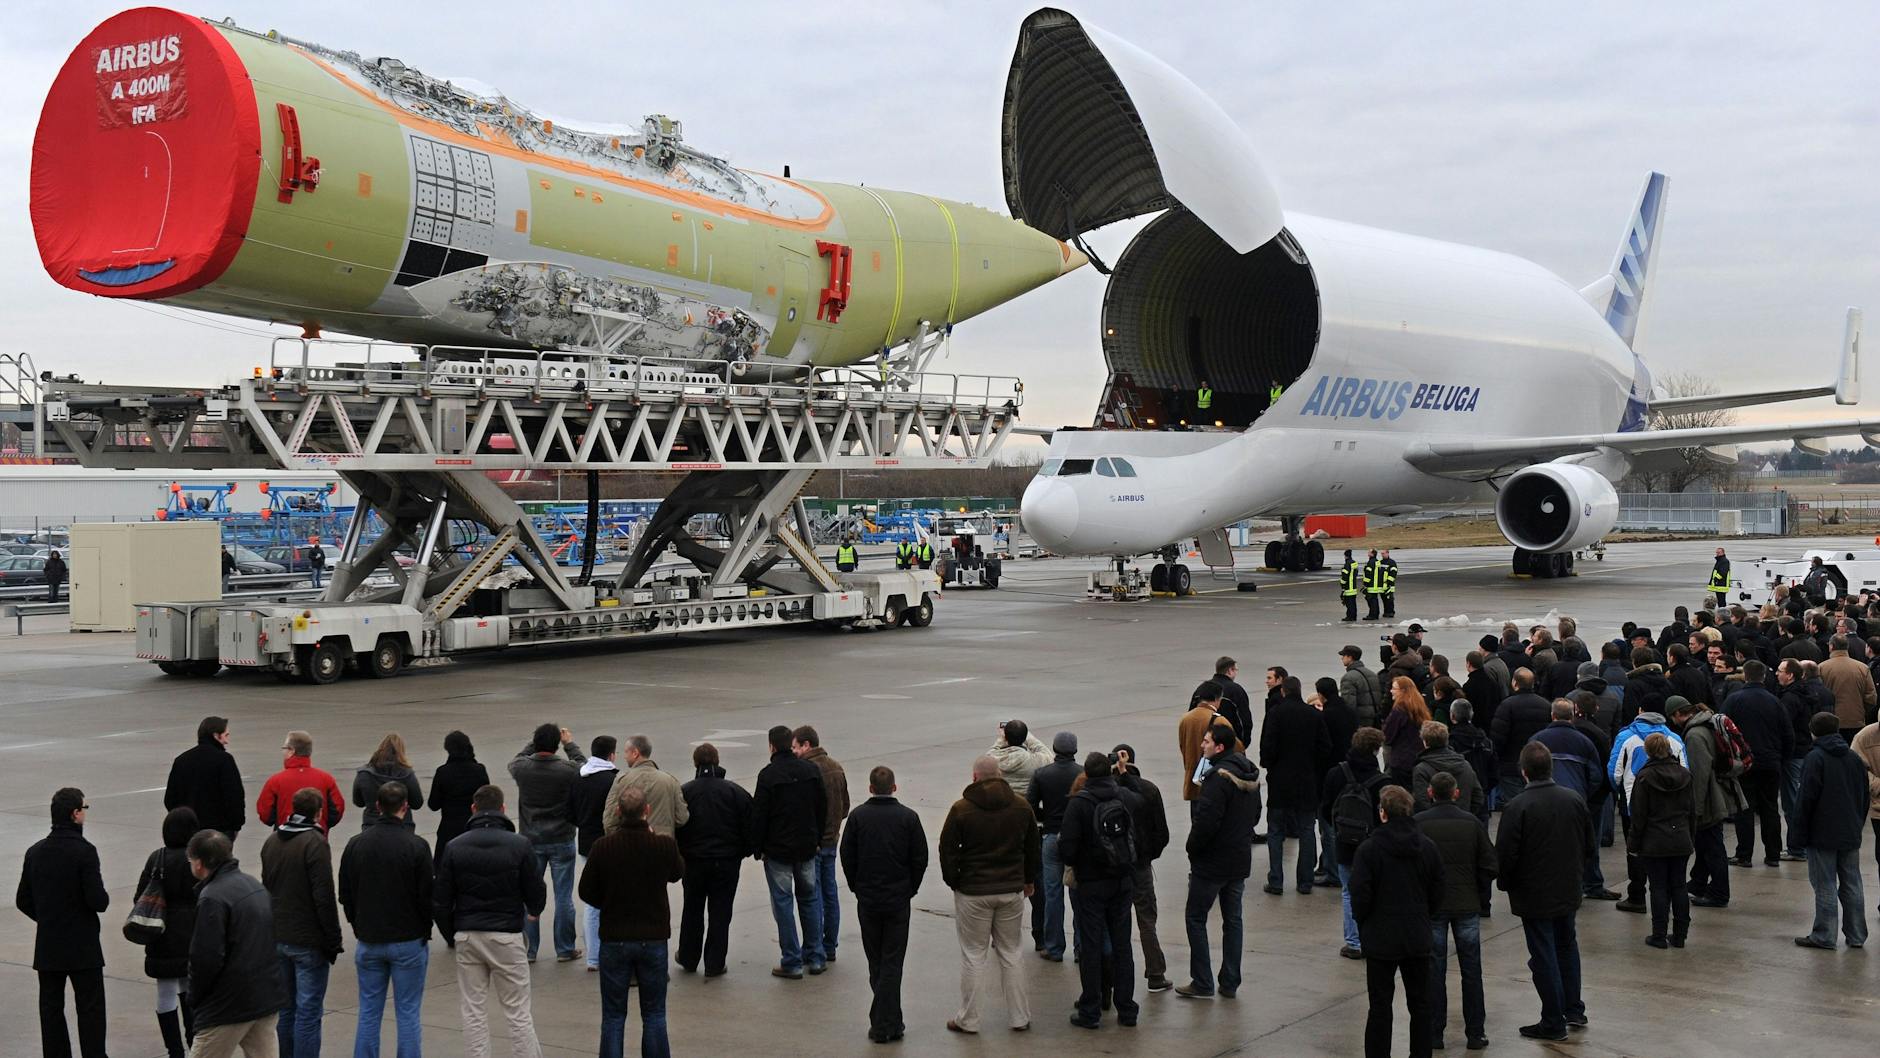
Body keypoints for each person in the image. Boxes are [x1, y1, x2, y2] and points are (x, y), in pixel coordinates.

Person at [434, 784, 547, 1058]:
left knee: (473, 1010)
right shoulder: (520, 845)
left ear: (473, 809)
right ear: (503, 809)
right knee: (517, 1010)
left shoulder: (454, 846)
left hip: (468, 934)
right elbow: (536, 889)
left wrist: (453, 932)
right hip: (506, 934)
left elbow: (441, 899)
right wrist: (533, 910)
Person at [1496, 743, 1593, 1042]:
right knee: (1566, 946)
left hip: (1534, 893)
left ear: (1524, 772)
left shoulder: (1517, 806)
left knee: (1544, 955)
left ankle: (1553, 1020)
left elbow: (1506, 855)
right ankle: (1573, 1008)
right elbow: (1589, 845)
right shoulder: (1574, 799)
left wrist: (1506, 883)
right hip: (1567, 887)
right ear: (1550, 768)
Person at [580, 785, 684, 1058]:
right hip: (653, 937)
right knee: (654, 1014)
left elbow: (586, 891)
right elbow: (677, 872)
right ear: (646, 812)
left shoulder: (603, 847)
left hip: (615, 937)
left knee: (613, 1017)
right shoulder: (663, 845)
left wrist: (609, 902)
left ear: (618, 811)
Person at [938, 755, 1040, 1034]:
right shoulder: (1021, 806)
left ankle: (968, 1019)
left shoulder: (961, 809)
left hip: (973, 891)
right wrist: (1028, 880)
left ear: (974, 777)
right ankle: (1020, 1016)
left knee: (974, 954)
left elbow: (947, 850)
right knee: (1011, 952)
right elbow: (1033, 847)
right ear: (1000, 775)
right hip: (1010, 890)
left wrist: (955, 881)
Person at [338, 781, 434, 1058]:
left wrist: (357, 924)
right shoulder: (417, 846)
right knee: (408, 1011)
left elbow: (345, 892)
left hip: (370, 938)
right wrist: (424, 929)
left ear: (377, 807)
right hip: (408, 938)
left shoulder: (356, 845)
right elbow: (427, 895)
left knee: (368, 1010)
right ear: (405, 807)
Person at [1349, 785, 1444, 1058]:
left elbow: (1360, 894)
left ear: (1383, 814)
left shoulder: (1369, 850)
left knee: (1379, 1005)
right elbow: (1438, 891)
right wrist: (1425, 915)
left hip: (1380, 937)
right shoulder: (1428, 848)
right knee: (1420, 1003)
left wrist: (1365, 924)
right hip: (1417, 935)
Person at [16, 787, 109, 1058]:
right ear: (75, 814)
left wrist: (46, 917)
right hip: (83, 945)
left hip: (49, 944)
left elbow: (23, 899)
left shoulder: (35, 852)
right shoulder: (85, 852)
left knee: (51, 1008)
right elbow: (98, 901)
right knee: (90, 1009)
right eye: (84, 809)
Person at [840, 765, 928, 1043]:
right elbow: (920, 858)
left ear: (869, 788)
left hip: (868, 899)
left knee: (876, 961)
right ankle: (890, 1022)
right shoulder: (909, 818)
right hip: (897, 900)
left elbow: (847, 857)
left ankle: (883, 1024)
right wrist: (910, 889)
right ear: (894, 788)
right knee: (893, 961)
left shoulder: (857, 818)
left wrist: (857, 886)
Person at [1060, 752, 1146, 1030]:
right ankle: (1127, 1009)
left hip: (1092, 884)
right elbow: (1139, 830)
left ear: (1086, 773)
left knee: (1092, 946)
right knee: (1123, 945)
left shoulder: (1079, 804)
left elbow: (1068, 850)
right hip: (1122, 881)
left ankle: (1091, 1010)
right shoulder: (1124, 797)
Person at [1178, 722, 1262, 998]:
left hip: (1213, 862)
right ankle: (1230, 981)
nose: (1202, 745)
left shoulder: (1217, 780)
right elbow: (1256, 814)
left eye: (1206, 741)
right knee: (1233, 919)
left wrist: (1192, 848)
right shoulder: (1248, 773)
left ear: (1220, 747)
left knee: (1195, 918)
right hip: (1238, 858)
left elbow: (1206, 822)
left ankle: (1202, 981)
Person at [260, 787, 344, 1058]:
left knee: (286, 1011)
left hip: (278, 934)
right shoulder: (314, 843)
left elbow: (267, 886)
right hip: (307, 939)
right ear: (319, 813)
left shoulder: (272, 841)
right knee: (308, 1013)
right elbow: (323, 896)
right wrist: (333, 938)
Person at [187, 829, 285, 1058]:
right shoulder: (254, 886)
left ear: (199, 863)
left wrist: (195, 997)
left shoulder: (212, 897)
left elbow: (205, 958)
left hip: (229, 1006)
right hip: (264, 997)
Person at [1415, 772, 1494, 1052]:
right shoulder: (1471, 823)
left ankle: (1435, 1032)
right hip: (1466, 904)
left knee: (1434, 970)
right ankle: (1475, 1032)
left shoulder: (1419, 824)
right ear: (1457, 793)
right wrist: (1479, 892)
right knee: (1471, 971)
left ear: (1430, 793)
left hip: (1433, 906)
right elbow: (1489, 864)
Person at [750, 724, 828, 979]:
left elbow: (759, 815)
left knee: (783, 903)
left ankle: (792, 960)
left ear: (772, 746)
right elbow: (822, 806)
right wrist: (817, 838)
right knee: (809, 898)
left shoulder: (768, 775)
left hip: (778, 851)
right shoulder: (811, 770)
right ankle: (816, 956)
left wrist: (757, 847)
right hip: (806, 847)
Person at [508, 723, 586, 963]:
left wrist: (535, 741)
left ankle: (529, 950)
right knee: (563, 896)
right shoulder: (567, 770)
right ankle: (564, 948)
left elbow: (516, 759)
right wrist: (569, 744)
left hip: (531, 839)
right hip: (561, 837)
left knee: (529, 895)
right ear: (556, 746)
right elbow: (585, 766)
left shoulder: (523, 768)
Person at [1794, 712, 1871, 949]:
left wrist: (1798, 833)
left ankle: (1825, 935)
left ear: (1813, 731)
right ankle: (1857, 934)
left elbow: (1805, 798)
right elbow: (1864, 795)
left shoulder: (1815, 758)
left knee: (1824, 883)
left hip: (1822, 832)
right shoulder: (1854, 758)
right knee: (1852, 883)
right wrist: (1857, 823)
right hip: (1849, 830)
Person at [675, 743, 751, 977]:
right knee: (721, 912)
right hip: (726, 862)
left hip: (694, 862)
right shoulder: (735, 792)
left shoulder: (685, 791)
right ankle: (714, 963)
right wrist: (741, 852)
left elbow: (677, 825)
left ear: (695, 763)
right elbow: (750, 826)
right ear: (717, 762)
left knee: (692, 909)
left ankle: (688, 957)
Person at [137, 807, 202, 1057]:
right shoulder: (196, 859)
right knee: (189, 989)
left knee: (165, 994)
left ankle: (175, 1050)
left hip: (162, 935)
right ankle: (194, 1040)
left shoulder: (157, 858)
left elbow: (140, 896)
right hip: (191, 935)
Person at [1261, 675, 1333, 895]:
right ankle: (1305, 881)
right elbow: (1325, 748)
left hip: (1280, 781)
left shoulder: (1275, 714)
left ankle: (1276, 880)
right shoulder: (1313, 715)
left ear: (1283, 691)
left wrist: (1271, 766)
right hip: (1306, 780)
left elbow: (1267, 747)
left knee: (1275, 831)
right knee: (1306, 831)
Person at [1323, 727, 1391, 959]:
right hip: (1374, 845)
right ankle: (1373, 938)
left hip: (1345, 844)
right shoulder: (1383, 781)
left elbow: (1326, 808)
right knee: (1376, 891)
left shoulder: (1336, 773)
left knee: (1348, 892)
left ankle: (1354, 942)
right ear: (1376, 749)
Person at [1720, 659, 1793, 866]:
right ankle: (1773, 854)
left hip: (1744, 763)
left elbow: (1722, 728)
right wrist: (1782, 758)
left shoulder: (1734, 700)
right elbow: (1788, 734)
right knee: (1770, 808)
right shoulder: (1775, 701)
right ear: (1763, 676)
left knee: (1744, 810)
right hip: (1771, 762)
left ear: (1745, 676)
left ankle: (1744, 855)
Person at [1111, 744, 1172, 992]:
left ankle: (1114, 976)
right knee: (1147, 919)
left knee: (1115, 921)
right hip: (1141, 867)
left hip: (1115, 868)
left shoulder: (1109, 792)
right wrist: (1147, 855)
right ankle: (1155, 973)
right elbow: (1162, 834)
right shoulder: (1149, 790)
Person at [1626, 733, 1694, 949]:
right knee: (1679, 886)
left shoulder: (1645, 777)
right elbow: (1692, 811)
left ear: (1647, 751)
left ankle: (1659, 934)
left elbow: (1638, 816)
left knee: (1658, 888)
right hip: (1680, 837)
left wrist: (1633, 844)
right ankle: (1680, 934)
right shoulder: (1685, 775)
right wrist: (1690, 837)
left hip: (1654, 840)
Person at [793, 725, 851, 965]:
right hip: (832, 841)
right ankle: (830, 946)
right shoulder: (837, 767)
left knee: (812, 894)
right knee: (830, 893)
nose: (794, 751)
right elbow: (845, 806)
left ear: (807, 745)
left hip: (814, 843)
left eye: (796, 746)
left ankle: (813, 946)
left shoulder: (808, 770)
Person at [1028, 731, 1080, 961]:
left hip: (1050, 835)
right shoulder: (1082, 773)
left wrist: (1046, 815)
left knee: (1052, 894)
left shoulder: (1042, 774)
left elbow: (1030, 805)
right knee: (1078, 893)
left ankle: (1054, 946)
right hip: (1076, 838)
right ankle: (1081, 947)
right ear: (1075, 751)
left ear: (1055, 749)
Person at [571, 735, 620, 971]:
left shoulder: (580, 777)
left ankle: (593, 957)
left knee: (592, 902)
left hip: (586, 844)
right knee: (613, 898)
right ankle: (610, 951)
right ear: (611, 755)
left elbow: (569, 812)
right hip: (609, 844)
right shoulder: (613, 780)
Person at [166, 715, 247, 843]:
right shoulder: (224, 760)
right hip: (219, 832)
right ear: (216, 736)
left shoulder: (181, 761)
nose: (227, 741)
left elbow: (170, 799)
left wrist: (183, 823)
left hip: (189, 833)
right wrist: (236, 826)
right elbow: (234, 797)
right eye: (226, 735)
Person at [257, 730, 345, 834]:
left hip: (285, 838)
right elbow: (337, 810)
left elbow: (265, 814)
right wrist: (324, 824)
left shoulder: (275, 781)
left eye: (284, 748)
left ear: (291, 751)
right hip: (317, 837)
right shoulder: (326, 779)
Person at [603, 735, 687, 838]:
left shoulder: (622, 781)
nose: (624, 756)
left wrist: (619, 842)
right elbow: (681, 818)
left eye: (626, 752)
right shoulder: (670, 781)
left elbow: (609, 820)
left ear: (635, 753)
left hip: (631, 845)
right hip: (662, 846)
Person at [1490, 670, 1552, 805]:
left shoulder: (1507, 705)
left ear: (1514, 683)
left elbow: (1498, 738)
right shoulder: (1546, 705)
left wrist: (1498, 759)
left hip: (1511, 764)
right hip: (1538, 764)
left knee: (1514, 805)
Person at [430, 731, 490, 867]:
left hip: (449, 829)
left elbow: (433, 804)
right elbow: (487, 798)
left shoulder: (443, 772)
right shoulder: (479, 770)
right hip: (474, 827)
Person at [1532, 700, 1603, 801]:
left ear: (1552, 715)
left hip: (1542, 798)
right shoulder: (1585, 742)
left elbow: (1526, 768)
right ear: (1572, 716)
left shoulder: (1537, 740)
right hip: (1576, 797)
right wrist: (1583, 794)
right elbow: (1595, 776)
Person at [1411, 721, 1484, 816]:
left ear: (1425, 742)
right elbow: (1478, 797)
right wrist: (1465, 814)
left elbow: (1422, 802)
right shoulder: (1465, 765)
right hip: (1462, 821)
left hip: (1433, 824)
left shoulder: (1421, 769)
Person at [353, 732, 425, 829]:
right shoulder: (407, 774)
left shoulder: (364, 774)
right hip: (402, 825)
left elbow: (359, 802)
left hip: (372, 824)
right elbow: (417, 803)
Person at [1820, 634, 1877, 741]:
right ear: (1847, 647)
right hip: (1856, 720)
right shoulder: (1862, 668)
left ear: (1831, 646)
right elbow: (1871, 697)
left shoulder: (1822, 667)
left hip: (1831, 721)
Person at [1179, 682, 1228, 799]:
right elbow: (1234, 748)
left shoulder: (1185, 719)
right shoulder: (1220, 721)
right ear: (1217, 699)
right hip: (1214, 781)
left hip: (1193, 779)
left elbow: (1182, 745)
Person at [1382, 677, 1432, 790]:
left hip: (1401, 761)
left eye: (1394, 688)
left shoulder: (1399, 710)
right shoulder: (1420, 708)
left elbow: (1387, 737)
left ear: (1403, 691)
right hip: (1418, 758)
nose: (1391, 691)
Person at [1341, 645, 1386, 729]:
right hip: (1375, 718)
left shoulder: (1348, 677)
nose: (1342, 658)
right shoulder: (1372, 674)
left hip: (1360, 721)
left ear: (1350, 657)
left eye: (1343, 656)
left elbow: (1349, 704)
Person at [1213, 656, 1254, 744]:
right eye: (1236, 670)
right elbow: (1244, 720)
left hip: (1206, 746)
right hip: (1230, 744)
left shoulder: (1201, 690)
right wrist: (1242, 743)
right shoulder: (1236, 691)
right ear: (1230, 671)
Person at [1363, 548, 1385, 620]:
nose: (1368, 553)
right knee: (1375, 600)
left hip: (1371, 585)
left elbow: (1368, 574)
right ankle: (1376, 614)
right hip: (1376, 585)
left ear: (1372, 554)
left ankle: (1372, 615)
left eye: (1369, 552)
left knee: (1371, 601)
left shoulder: (1371, 562)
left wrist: (1365, 584)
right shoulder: (1377, 562)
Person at [1341, 549, 1361, 622]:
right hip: (1353, 585)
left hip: (1348, 586)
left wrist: (1342, 584)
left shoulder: (1347, 564)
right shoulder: (1354, 563)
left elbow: (1345, 576)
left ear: (1345, 556)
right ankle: (1354, 616)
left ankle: (1350, 616)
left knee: (1349, 603)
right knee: (1353, 602)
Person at [1380, 548, 1400, 619]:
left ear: (1388, 553)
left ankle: (1391, 612)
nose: (1382, 555)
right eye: (1381, 553)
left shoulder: (1392, 562)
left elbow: (1393, 573)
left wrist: (1389, 582)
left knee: (1390, 599)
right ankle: (1386, 612)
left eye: (1383, 553)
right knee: (1384, 599)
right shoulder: (1380, 562)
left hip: (1389, 585)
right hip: (1382, 585)